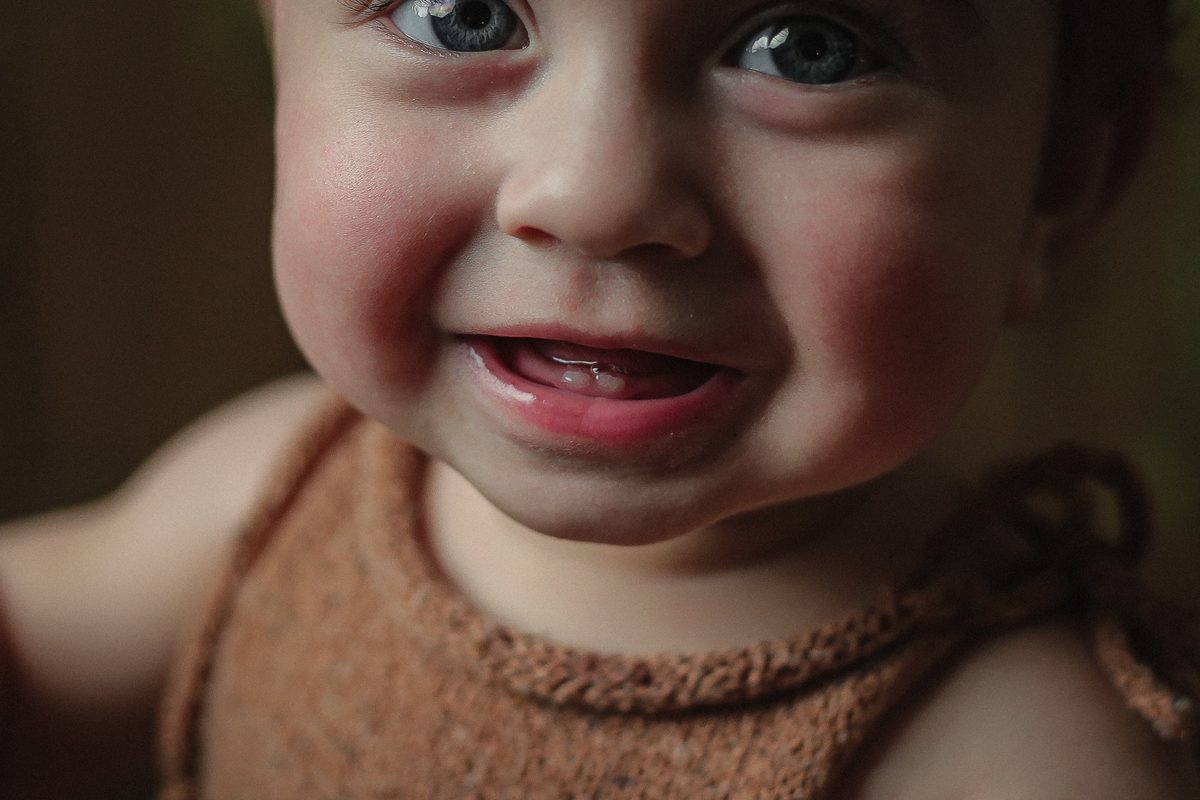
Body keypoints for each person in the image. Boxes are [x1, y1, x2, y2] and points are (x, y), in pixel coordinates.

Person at [1, 0, 1198, 796]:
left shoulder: (1018, 752)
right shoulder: (281, 493)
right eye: (460, 14)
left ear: (1061, 179)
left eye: (807, 48)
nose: (596, 192)